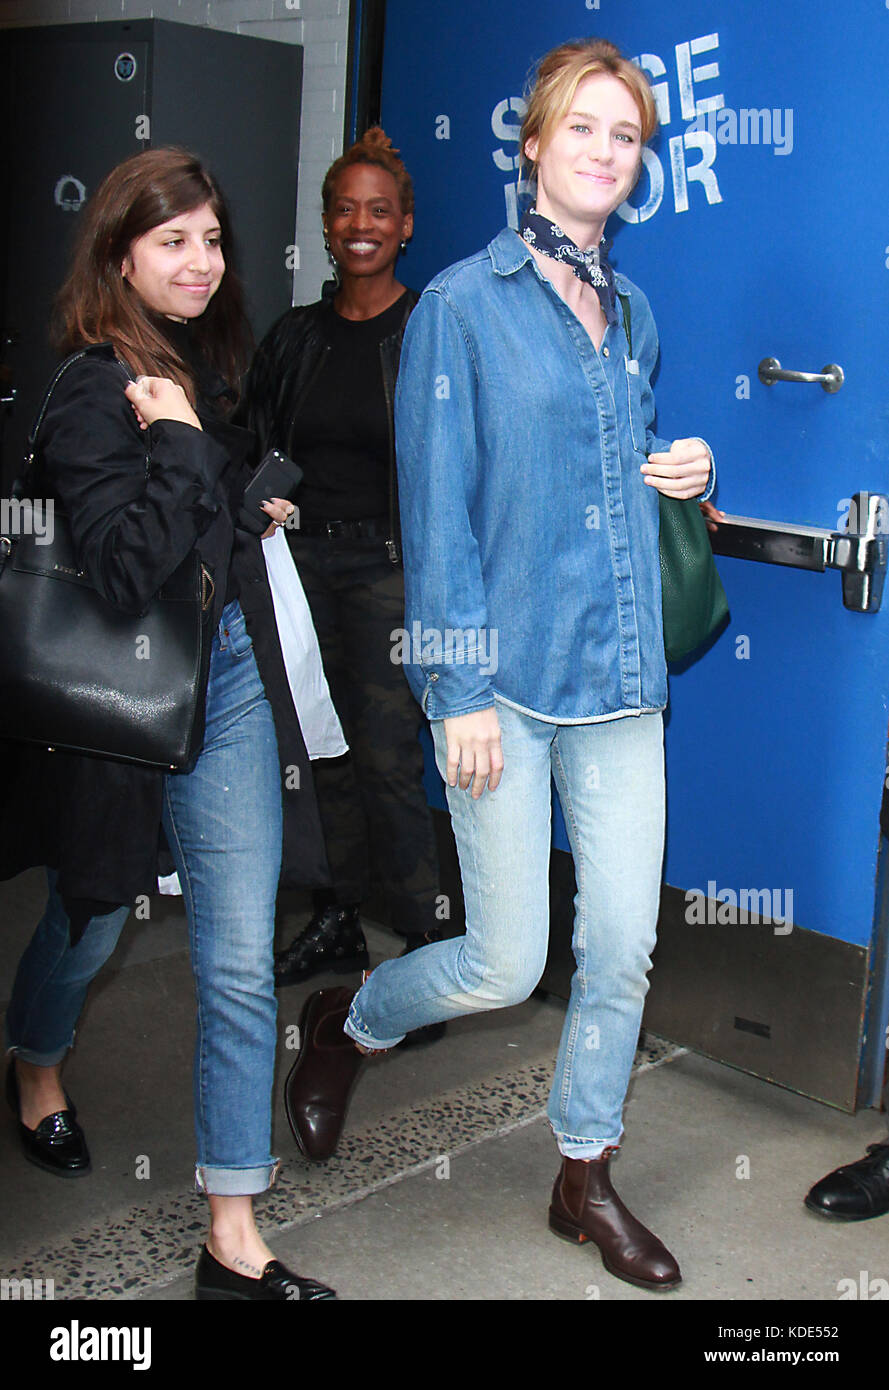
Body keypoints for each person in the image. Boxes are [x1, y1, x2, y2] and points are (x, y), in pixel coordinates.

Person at [284, 39, 716, 1292]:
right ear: (529, 145)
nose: (602, 151)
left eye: (624, 136)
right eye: (580, 128)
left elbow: (600, 467)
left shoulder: (631, 311)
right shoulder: (462, 308)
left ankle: (582, 1173)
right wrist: (456, 690)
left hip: (623, 674)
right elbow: (441, 512)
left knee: (623, 943)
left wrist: (672, 471)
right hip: (505, 687)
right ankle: (349, 1020)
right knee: (504, 959)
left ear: (639, 165)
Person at [1, 147, 336, 1301]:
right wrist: (186, 447)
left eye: (212, 239)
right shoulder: (97, 386)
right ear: (119, 255)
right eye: (174, 241)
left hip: (228, 675)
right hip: (125, 697)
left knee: (239, 962)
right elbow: (118, 568)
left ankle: (231, 1238)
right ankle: (36, 1063)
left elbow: (198, 509)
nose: (203, 261)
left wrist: (245, 487)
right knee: (90, 924)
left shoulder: (196, 361)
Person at [242, 128, 446, 1003]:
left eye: (379, 210)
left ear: (405, 226)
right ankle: (334, 915)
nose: (359, 224)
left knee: (388, 758)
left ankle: (424, 945)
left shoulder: (429, 330)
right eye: (344, 209)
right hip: (296, 570)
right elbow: (249, 441)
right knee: (311, 751)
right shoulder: (294, 336)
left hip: (386, 572)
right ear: (326, 225)